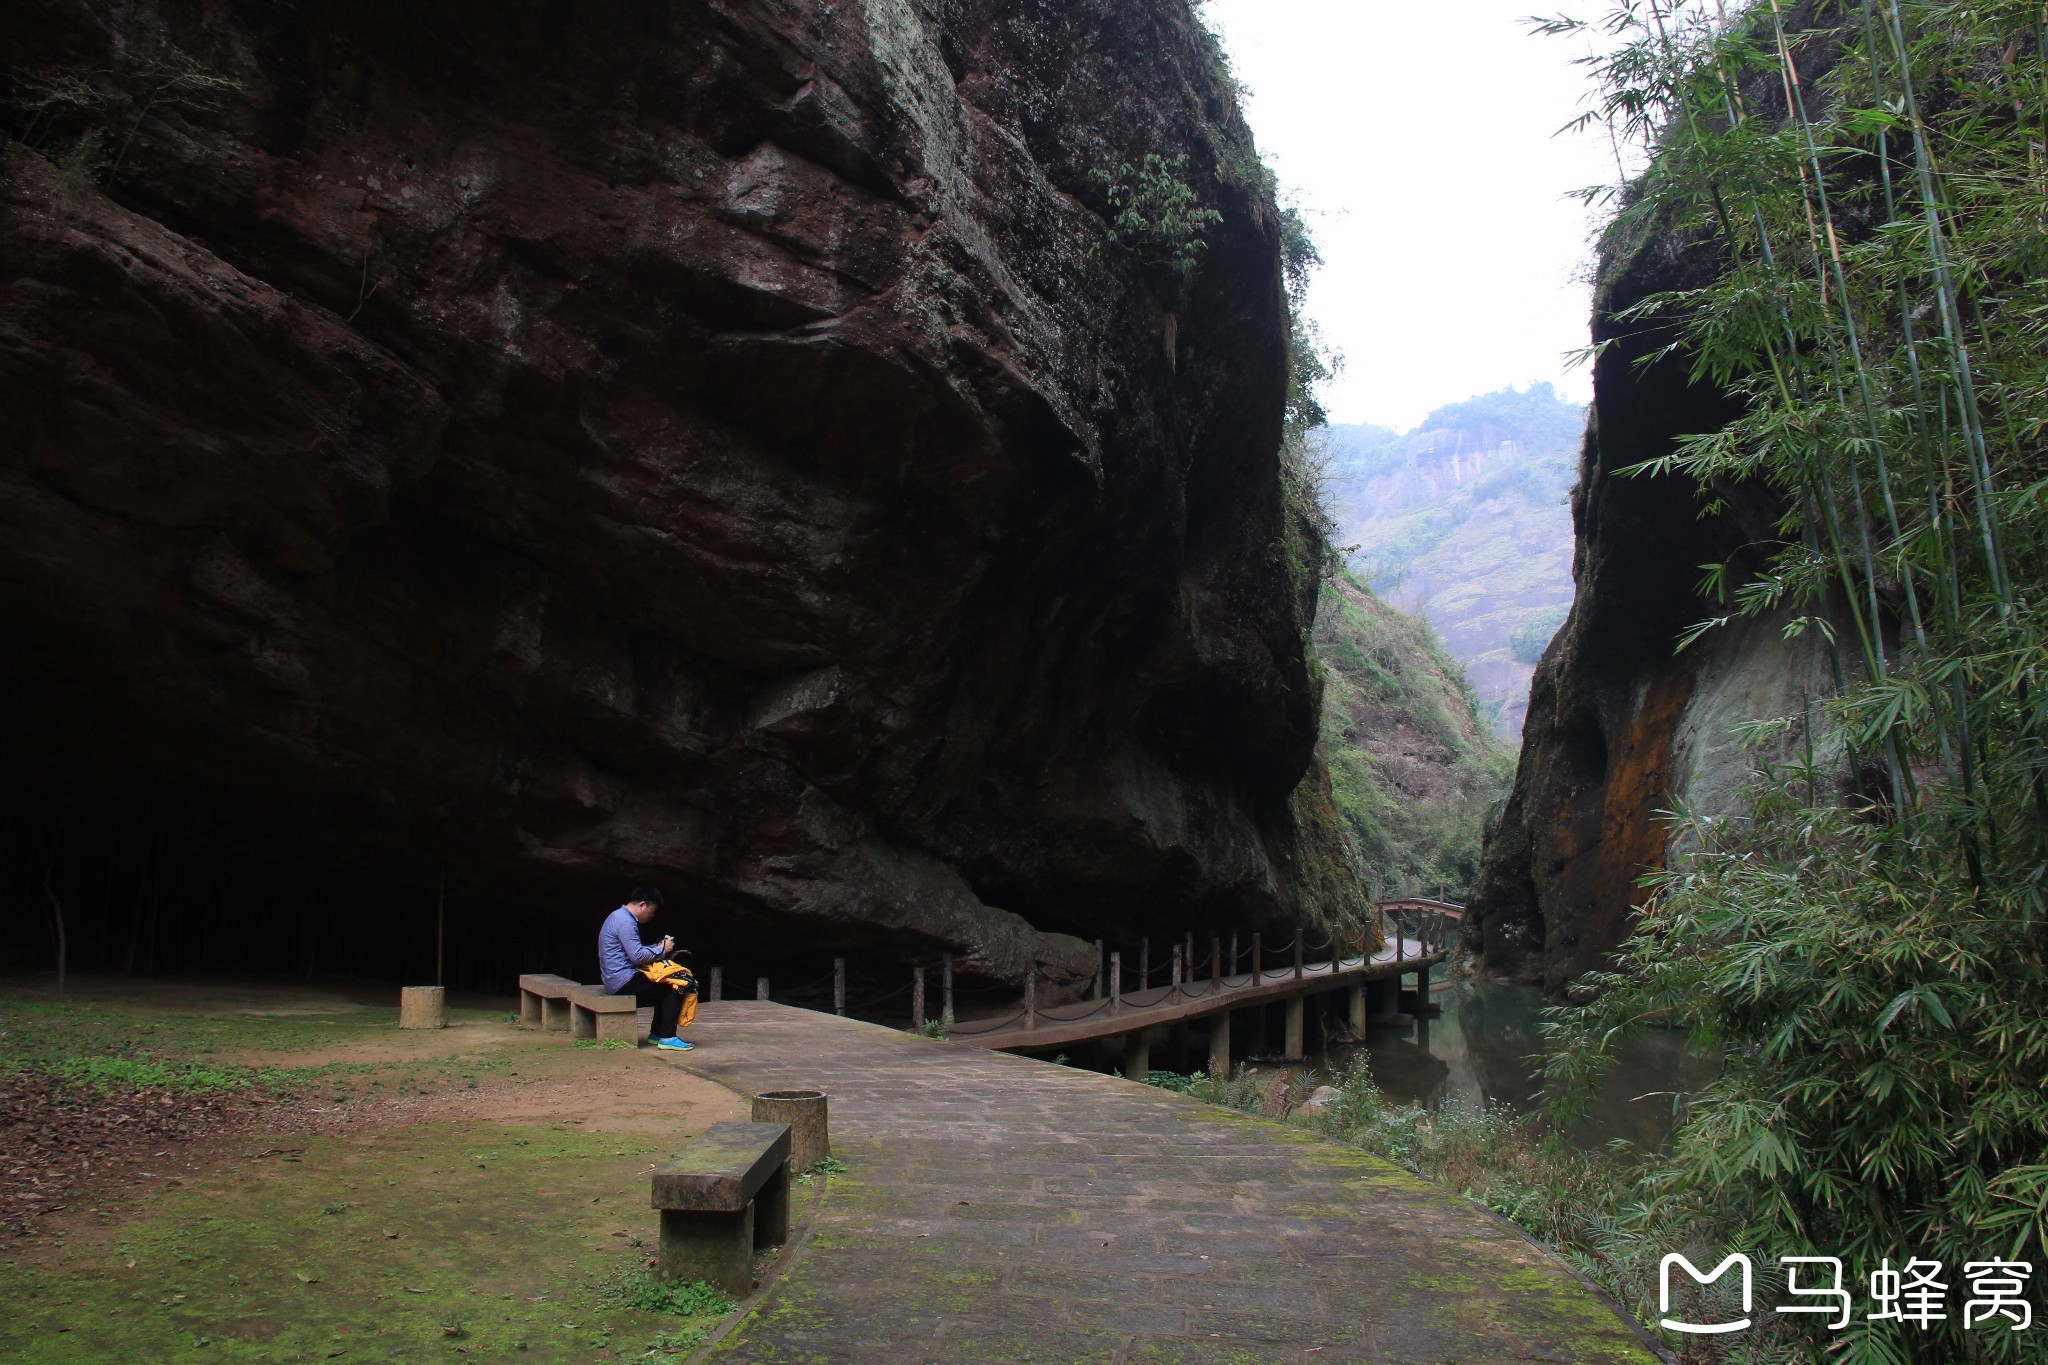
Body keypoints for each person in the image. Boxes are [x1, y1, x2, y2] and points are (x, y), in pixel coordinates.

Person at [599, 886, 694, 1051]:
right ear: (642, 905)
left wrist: (656, 948)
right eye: (652, 910)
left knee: (662, 984)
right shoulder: (625, 921)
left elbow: (633, 951)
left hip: (615, 977)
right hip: (621, 979)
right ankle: (667, 1037)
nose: (652, 915)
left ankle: (657, 1033)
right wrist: (663, 949)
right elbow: (636, 956)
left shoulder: (618, 916)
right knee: (674, 985)